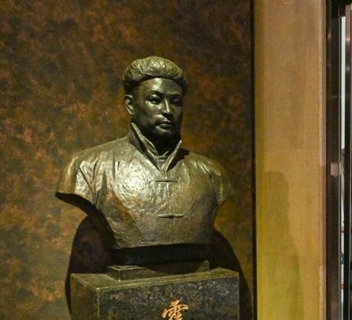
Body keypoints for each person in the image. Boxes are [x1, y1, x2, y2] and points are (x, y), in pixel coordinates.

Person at [57, 56, 234, 255]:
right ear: (130, 105)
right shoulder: (87, 167)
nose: (167, 111)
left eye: (175, 102)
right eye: (155, 100)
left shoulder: (212, 173)